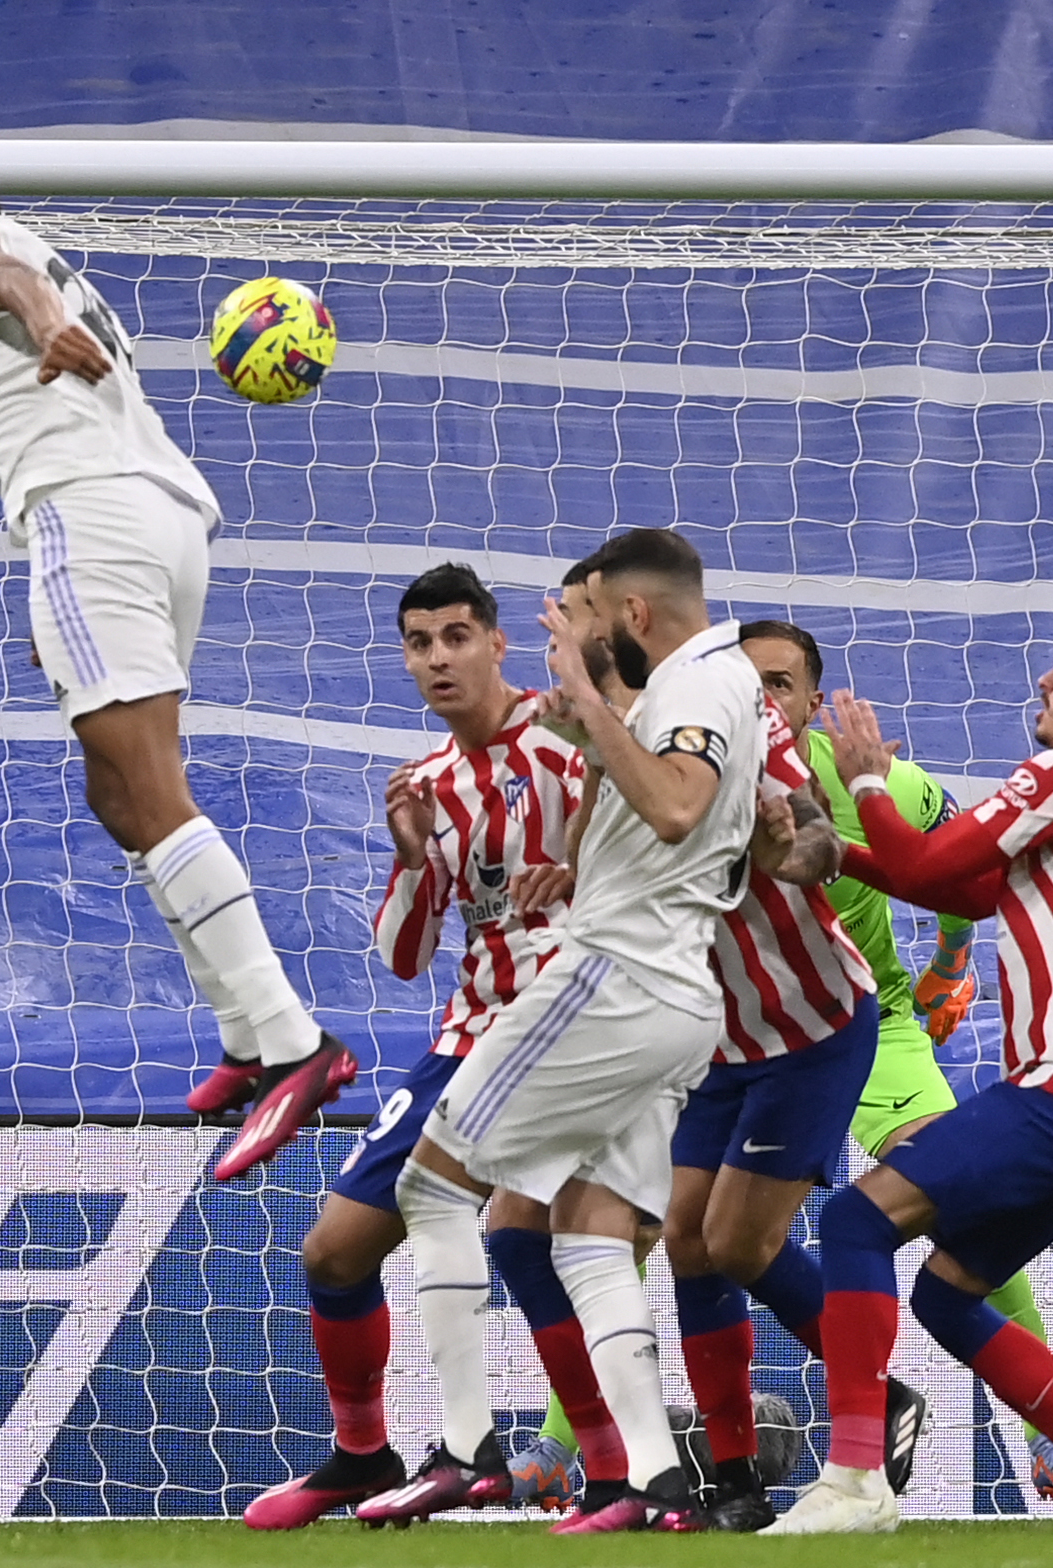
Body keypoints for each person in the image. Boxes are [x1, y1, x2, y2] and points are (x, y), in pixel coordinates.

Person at [0, 153, 355, 1181]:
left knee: (150, 788)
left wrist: (39, 318)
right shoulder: (62, 269)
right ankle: (245, 1032)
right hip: (159, 521)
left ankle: (299, 1045)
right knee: (117, 792)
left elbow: (0, 273)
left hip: (90, 518)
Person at [357, 528, 765, 1534]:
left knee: (432, 1184)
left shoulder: (698, 686)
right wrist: (593, 737)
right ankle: (657, 1482)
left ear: (627, 616)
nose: (562, 639)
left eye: (574, 617)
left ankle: (462, 1450)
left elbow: (675, 808)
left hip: (613, 976)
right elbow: (646, 824)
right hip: (674, 989)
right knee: (588, 1229)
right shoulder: (699, 687)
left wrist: (586, 706)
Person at [764, 612, 1053, 1535]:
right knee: (947, 1293)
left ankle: (853, 1482)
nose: (1049, 680)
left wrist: (867, 782)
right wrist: (844, 852)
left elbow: (931, 858)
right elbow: (959, 889)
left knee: (852, 1221)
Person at [240, 564, 582, 1528]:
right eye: (420, 643)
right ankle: (362, 1455)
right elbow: (403, 957)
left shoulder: (567, 744)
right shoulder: (426, 783)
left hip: (576, 1030)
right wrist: (407, 854)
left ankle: (537, 1457)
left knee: (580, 1243)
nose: (439, 658)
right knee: (335, 1253)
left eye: (457, 636)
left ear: (497, 642)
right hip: (467, 1037)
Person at [662, 685, 878, 1532]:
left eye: (787, 684)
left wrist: (810, 845)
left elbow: (821, 831)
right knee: (684, 1235)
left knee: (735, 1240)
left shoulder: (741, 728)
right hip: (718, 1040)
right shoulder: (608, 747)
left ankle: (876, 1396)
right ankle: (735, 1477)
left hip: (812, 1027)